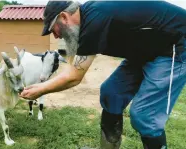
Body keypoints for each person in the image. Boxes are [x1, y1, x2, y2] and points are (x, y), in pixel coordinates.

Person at [20, 1, 186, 149]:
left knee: (145, 115)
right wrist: (41, 85)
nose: (55, 35)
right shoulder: (88, 21)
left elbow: (73, 77)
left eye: (53, 28)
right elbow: (73, 67)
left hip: (175, 45)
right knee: (111, 93)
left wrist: (41, 89)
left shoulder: (94, 21)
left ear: (64, 17)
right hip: (145, 52)